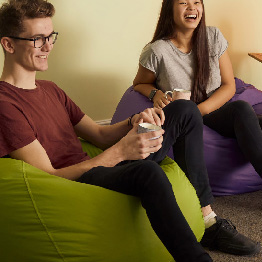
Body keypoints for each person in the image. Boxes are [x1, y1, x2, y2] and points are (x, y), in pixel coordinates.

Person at [0, 0, 216, 261]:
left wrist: (134, 122)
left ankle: (208, 217)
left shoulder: (51, 89)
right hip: (78, 182)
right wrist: (120, 153)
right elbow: (51, 176)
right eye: (37, 39)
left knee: (185, 110)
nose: (48, 47)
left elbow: (99, 135)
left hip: (99, 165)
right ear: (8, 44)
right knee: (147, 171)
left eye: (50, 36)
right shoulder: (5, 104)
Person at [133, 0, 261, 257]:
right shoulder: (157, 50)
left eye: (196, 2)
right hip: (181, 114)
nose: (192, 8)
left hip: (212, 108)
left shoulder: (213, 37)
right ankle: (209, 222)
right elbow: (139, 84)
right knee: (240, 114)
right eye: (184, 2)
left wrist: (199, 112)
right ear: (171, 9)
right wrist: (156, 93)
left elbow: (228, 85)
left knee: (244, 110)